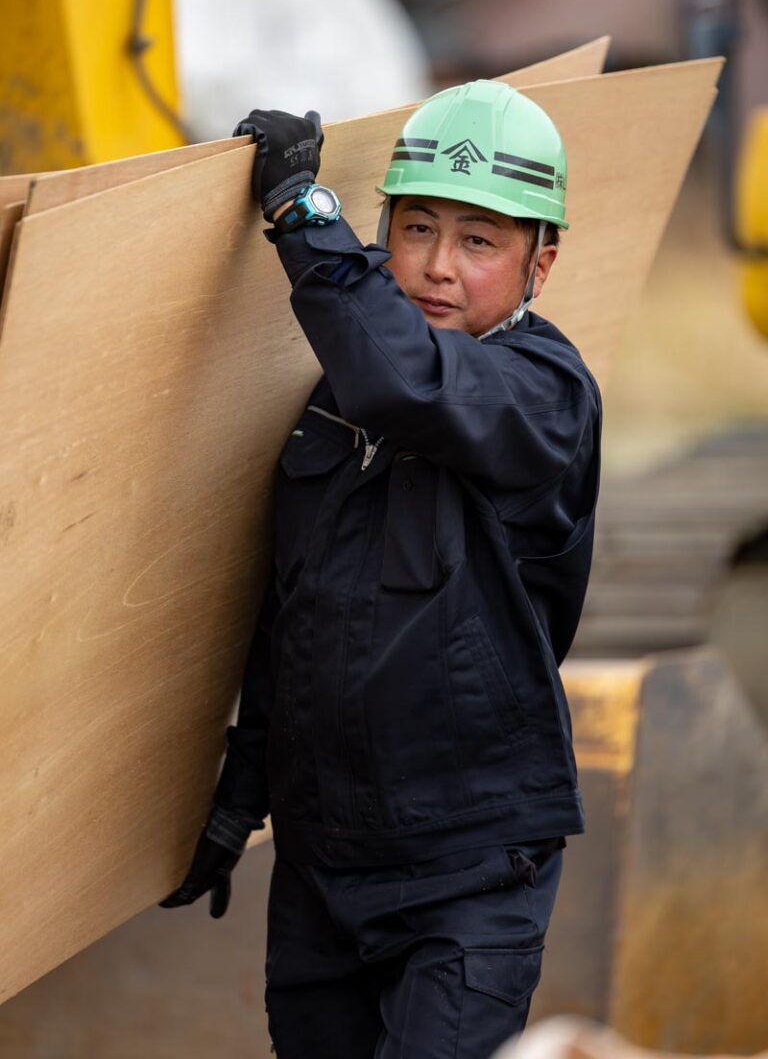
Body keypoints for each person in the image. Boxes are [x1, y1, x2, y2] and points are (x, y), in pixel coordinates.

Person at [161, 79, 602, 1059]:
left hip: (467, 872)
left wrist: (301, 212)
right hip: (324, 872)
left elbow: (412, 382)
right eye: (416, 229)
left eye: (480, 241)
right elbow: (297, 610)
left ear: (543, 261)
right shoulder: (336, 400)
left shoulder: (543, 397)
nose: (439, 267)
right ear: (387, 233)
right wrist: (243, 787)